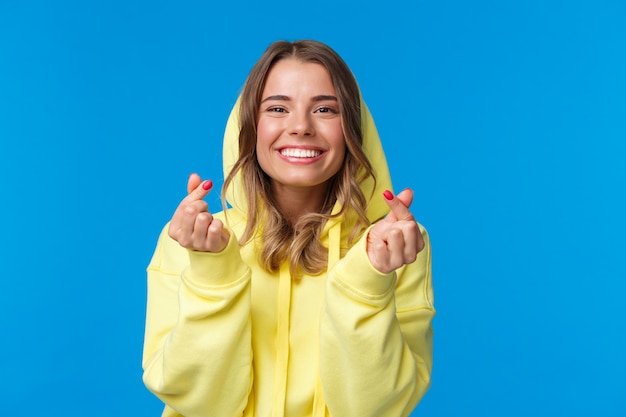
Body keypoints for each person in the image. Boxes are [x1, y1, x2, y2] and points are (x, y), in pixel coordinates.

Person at [142, 39, 435, 417]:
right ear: (250, 126)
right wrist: (212, 272)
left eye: (325, 109)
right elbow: (196, 402)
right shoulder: (192, 238)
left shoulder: (397, 244)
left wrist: (369, 280)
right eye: (278, 108)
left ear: (352, 129)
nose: (300, 127)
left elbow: (375, 408)